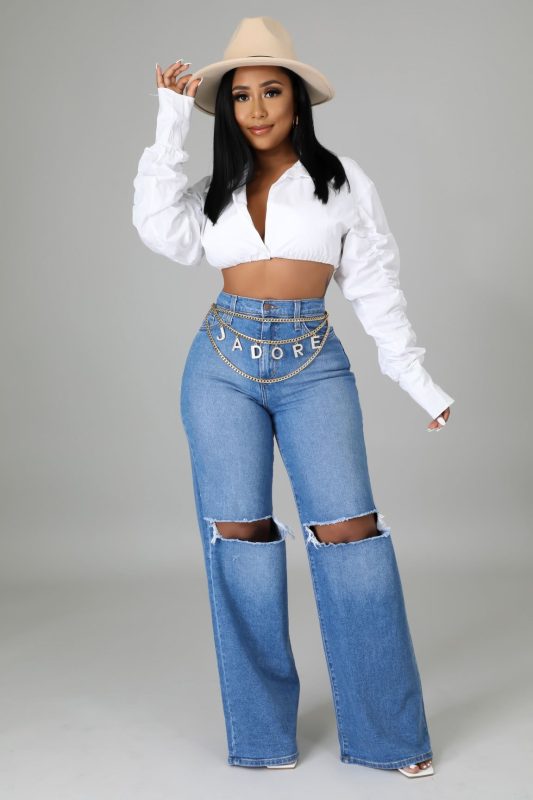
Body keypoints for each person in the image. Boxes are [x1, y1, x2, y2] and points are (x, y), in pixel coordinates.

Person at [132, 15, 454, 778]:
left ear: (297, 100)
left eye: (270, 91)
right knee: (239, 543)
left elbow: (374, 284)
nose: (256, 108)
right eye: (240, 95)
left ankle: (387, 737)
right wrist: (170, 119)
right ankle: (261, 736)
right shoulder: (213, 190)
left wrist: (415, 379)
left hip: (313, 363)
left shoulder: (341, 180)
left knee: (351, 538)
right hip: (220, 363)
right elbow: (156, 229)